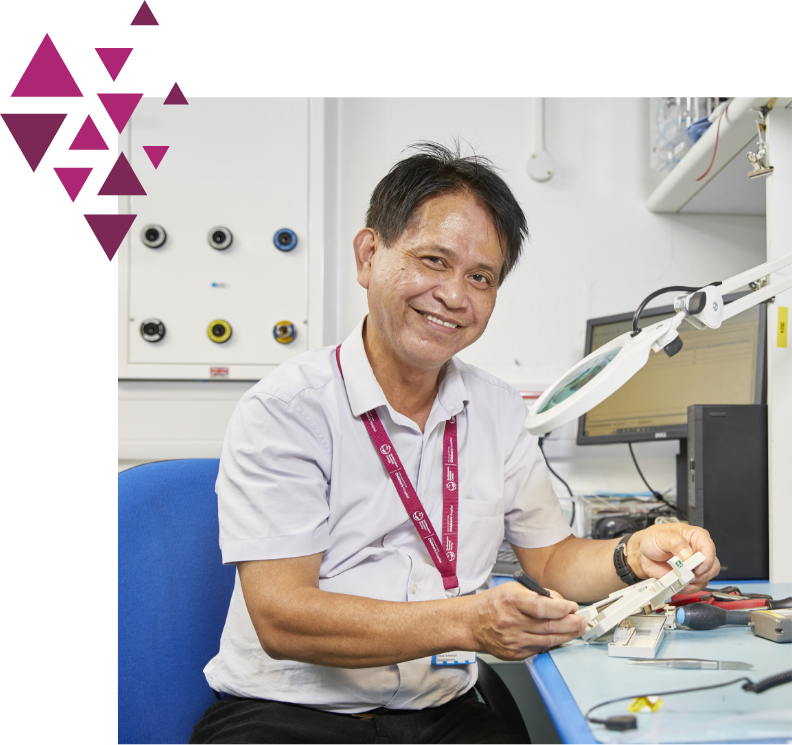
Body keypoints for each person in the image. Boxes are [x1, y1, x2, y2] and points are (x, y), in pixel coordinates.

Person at [189, 142, 720, 745]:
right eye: (434, 260)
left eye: (481, 277)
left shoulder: (495, 410)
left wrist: (636, 552)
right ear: (368, 255)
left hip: (441, 714)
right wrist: (467, 622)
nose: (454, 295)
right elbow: (282, 618)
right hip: (287, 714)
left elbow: (552, 561)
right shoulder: (287, 409)